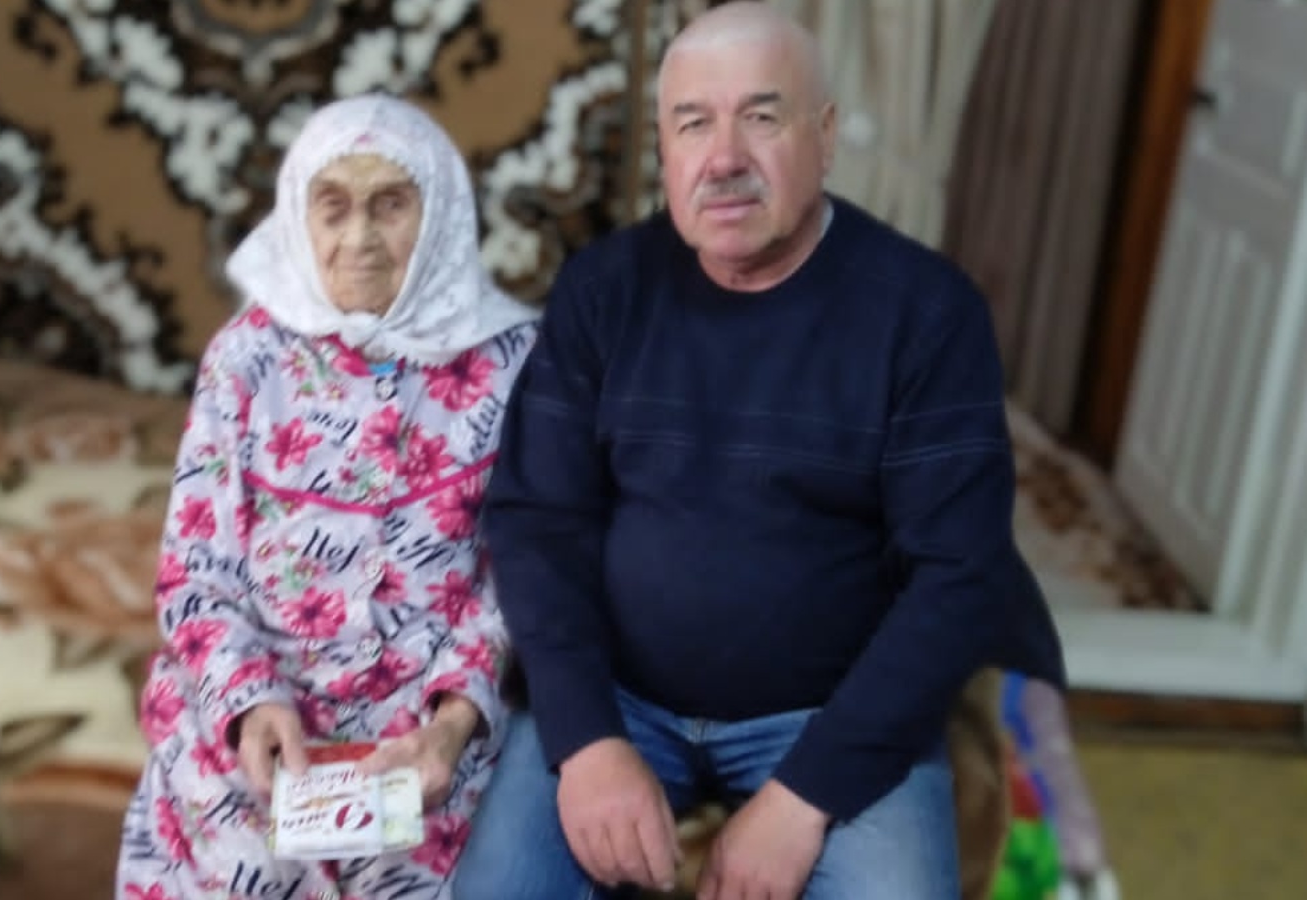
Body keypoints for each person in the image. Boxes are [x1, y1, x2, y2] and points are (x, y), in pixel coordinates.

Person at [453, 3, 1065, 899]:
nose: (724, 157)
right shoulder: (603, 290)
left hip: (831, 714)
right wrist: (586, 740)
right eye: (693, 123)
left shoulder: (928, 313)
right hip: (619, 697)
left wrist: (803, 800)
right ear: (665, 149)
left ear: (826, 137)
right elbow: (538, 520)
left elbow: (959, 578)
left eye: (762, 117)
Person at [115, 93, 540, 900]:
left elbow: (523, 576)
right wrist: (247, 701)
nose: (360, 239)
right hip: (260, 714)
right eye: (333, 207)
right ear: (296, 215)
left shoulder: (515, 363)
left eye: (391, 205)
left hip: (429, 731)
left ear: (441, 213)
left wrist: (452, 724)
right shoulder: (246, 359)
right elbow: (195, 573)